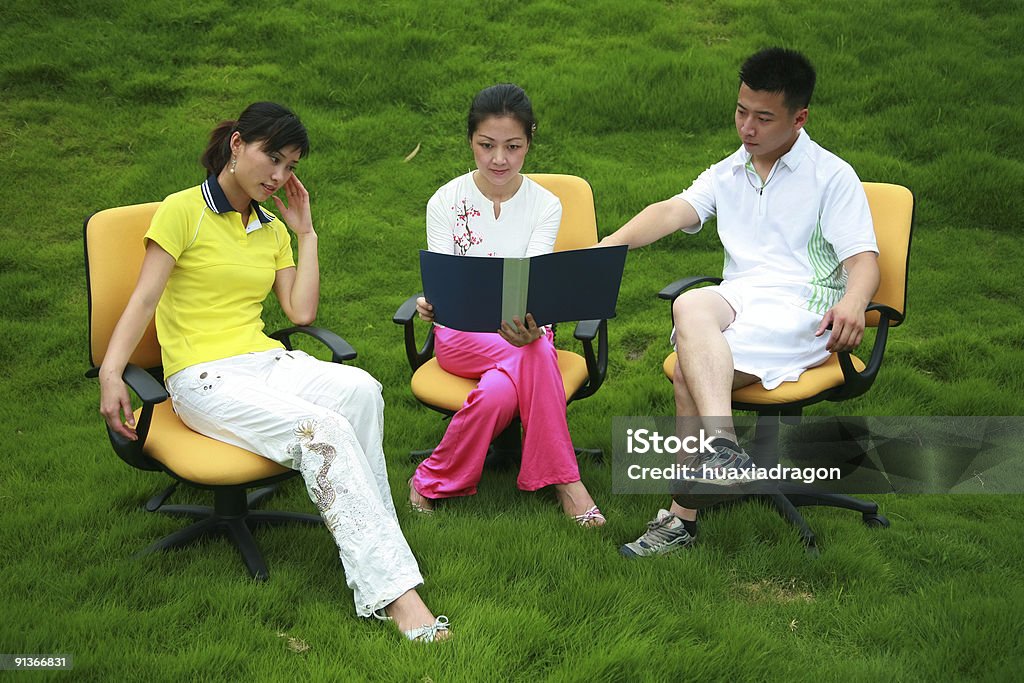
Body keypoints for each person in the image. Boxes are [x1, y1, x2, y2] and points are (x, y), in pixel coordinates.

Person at [98, 102, 449, 641]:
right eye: (272, 158)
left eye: (290, 166)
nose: (279, 176)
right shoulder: (181, 209)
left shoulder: (271, 226)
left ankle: (381, 546)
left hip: (264, 361)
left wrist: (305, 233)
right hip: (203, 378)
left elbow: (300, 313)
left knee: (361, 390)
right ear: (237, 145)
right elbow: (144, 298)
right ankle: (395, 595)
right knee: (322, 432)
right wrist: (110, 374)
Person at [600, 48, 880, 557]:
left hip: (803, 311)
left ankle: (680, 518)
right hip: (740, 301)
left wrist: (856, 302)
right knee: (689, 305)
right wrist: (606, 247)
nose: (747, 127)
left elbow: (864, 261)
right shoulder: (731, 170)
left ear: (800, 118)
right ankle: (724, 450)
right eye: (740, 111)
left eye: (763, 117)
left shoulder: (832, 176)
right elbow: (671, 210)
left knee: (689, 372)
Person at [408, 84, 605, 527]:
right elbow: (445, 280)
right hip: (461, 338)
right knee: (537, 354)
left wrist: (530, 322)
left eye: (513, 147)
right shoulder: (445, 200)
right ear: (470, 142)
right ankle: (565, 484)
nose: (499, 159)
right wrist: (431, 304)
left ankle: (428, 480)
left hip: (525, 331)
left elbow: (534, 278)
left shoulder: (545, 204)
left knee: (502, 387)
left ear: (528, 143)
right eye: (487, 145)